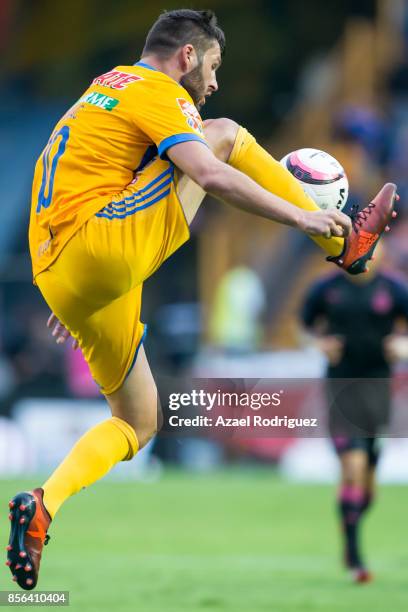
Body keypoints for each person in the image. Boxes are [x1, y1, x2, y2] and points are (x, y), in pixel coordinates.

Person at [6, 9, 397, 590]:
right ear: (187, 57)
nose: (212, 84)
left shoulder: (102, 90)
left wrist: (77, 284)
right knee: (226, 136)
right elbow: (209, 175)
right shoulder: (156, 88)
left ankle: (42, 506)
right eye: (212, 67)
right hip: (98, 247)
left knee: (139, 419)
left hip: (62, 267)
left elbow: (83, 176)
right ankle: (342, 241)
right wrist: (303, 214)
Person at [300, 248, 408, 583]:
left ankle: (350, 531)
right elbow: (302, 326)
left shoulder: (394, 289)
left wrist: (404, 344)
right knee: (353, 467)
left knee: (368, 487)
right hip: (340, 388)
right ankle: (355, 557)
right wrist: (317, 344)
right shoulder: (325, 288)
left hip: (377, 388)